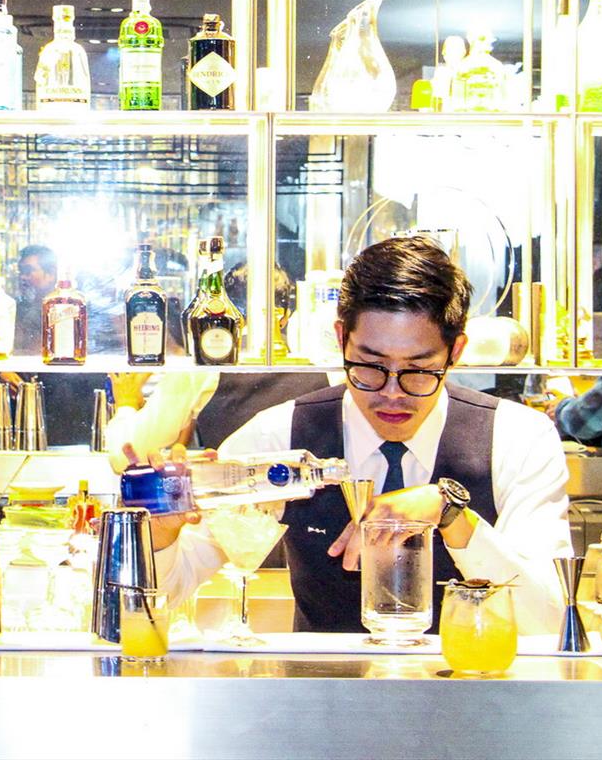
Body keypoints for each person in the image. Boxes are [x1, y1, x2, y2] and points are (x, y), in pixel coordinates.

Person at [149, 235, 572, 636]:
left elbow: (550, 620)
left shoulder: (517, 439)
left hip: (472, 683)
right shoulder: (279, 435)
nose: (392, 392)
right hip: (320, 686)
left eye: (418, 369)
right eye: (369, 365)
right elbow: (161, 600)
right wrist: (161, 534)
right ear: (341, 340)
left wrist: (451, 515)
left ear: (455, 352)